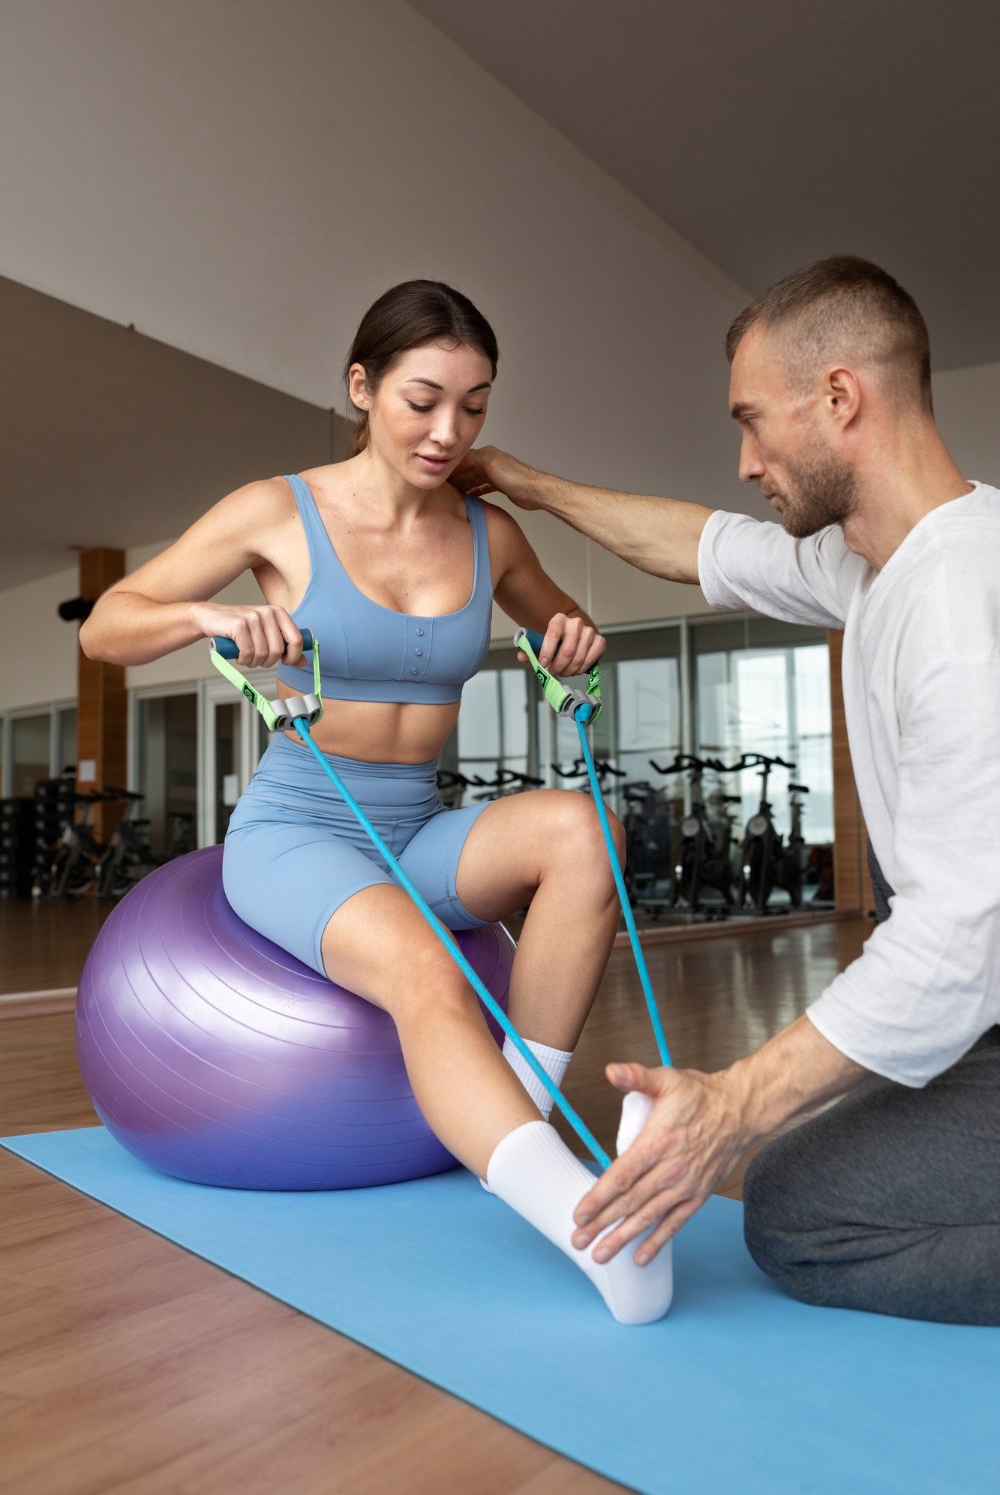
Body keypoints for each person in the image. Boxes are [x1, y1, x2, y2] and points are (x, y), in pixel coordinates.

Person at [81, 279, 673, 1325]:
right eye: (422, 399)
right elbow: (106, 629)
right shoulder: (278, 510)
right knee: (427, 974)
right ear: (361, 388)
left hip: (416, 825)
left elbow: (563, 637)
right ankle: (595, 1231)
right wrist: (207, 616)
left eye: (475, 405)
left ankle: (516, 1136)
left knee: (586, 830)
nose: (449, 431)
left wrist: (572, 644)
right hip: (300, 828)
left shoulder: (488, 536)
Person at [453, 256, 1000, 1325]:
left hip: (982, 982)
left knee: (796, 1216)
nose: (745, 462)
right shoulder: (875, 561)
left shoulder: (956, 610)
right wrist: (525, 484)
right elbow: (696, 546)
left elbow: (958, 941)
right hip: (980, 1008)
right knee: (809, 1155)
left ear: (840, 397)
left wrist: (731, 1105)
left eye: (754, 422)